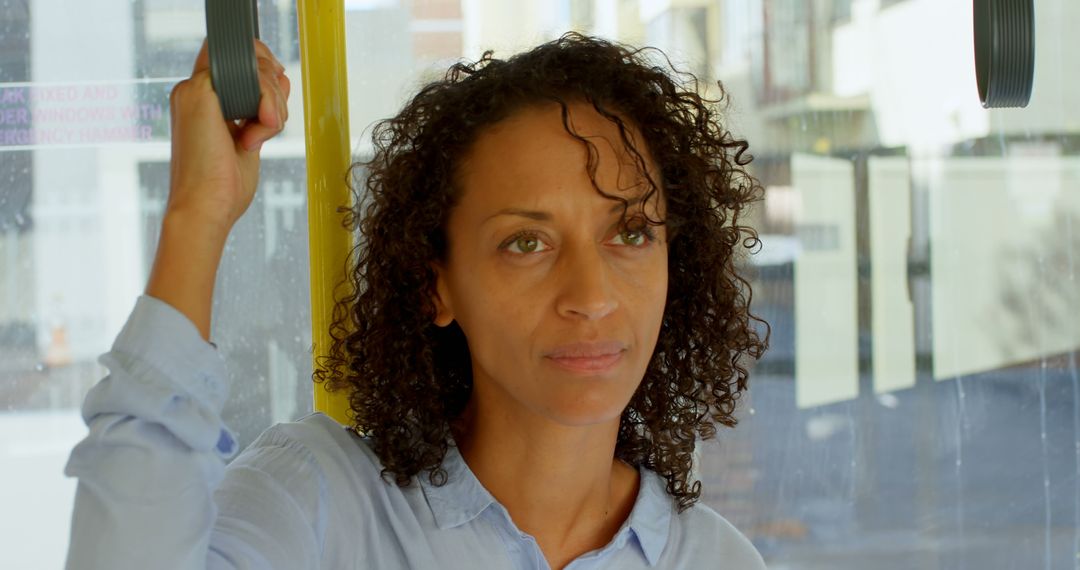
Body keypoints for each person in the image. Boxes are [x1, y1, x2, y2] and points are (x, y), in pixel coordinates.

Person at [63, 31, 769, 569]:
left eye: (631, 232)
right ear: (436, 285)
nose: (591, 296)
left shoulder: (718, 559)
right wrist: (197, 215)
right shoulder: (321, 505)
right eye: (527, 242)